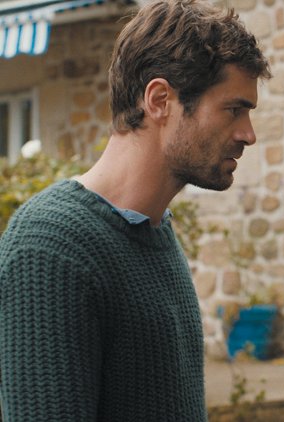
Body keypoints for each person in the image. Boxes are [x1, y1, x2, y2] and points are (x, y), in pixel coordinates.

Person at [0, 0, 270, 420]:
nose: (248, 134)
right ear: (160, 100)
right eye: (234, 109)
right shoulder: (50, 247)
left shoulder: (155, 231)